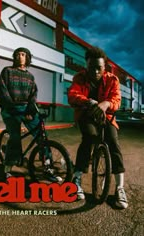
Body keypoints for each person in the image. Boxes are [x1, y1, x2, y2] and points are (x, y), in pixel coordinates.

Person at [68, 46, 128, 209]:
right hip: (86, 115)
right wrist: (87, 101)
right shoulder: (79, 78)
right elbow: (73, 95)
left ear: (104, 67)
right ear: (86, 65)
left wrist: (106, 103)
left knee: (113, 143)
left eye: (98, 68)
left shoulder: (112, 80)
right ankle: (77, 178)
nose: (94, 71)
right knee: (89, 138)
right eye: (91, 67)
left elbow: (116, 99)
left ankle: (120, 188)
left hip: (107, 116)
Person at [0, 47, 58, 182]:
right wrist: (11, 106)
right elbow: (1, 90)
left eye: (23, 54)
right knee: (15, 136)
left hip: (26, 109)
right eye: (17, 54)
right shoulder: (7, 71)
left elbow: (33, 95)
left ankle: (47, 167)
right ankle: (7, 168)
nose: (20, 56)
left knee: (42, 135)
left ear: (27, 58)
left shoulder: (30, 76)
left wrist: (30, 110)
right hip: (10, 109)